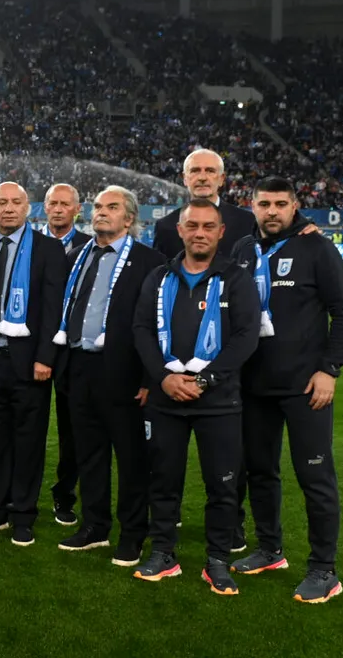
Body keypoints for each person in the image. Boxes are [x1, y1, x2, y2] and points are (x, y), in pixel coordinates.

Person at [230, 177, 343, 604]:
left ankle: (324, 569)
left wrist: (330, 370)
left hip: (306, 387)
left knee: (315, 477)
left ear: (295, 205)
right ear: (252, 206)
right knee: (261, 472)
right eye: (264, 203)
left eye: (281, 204)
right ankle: (269, 549)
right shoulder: (244, 251)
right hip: (253, 386)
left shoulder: (316, 247)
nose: (272, 211)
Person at [131, 199, 260, 596]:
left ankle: (217, 560)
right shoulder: (157, 276)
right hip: (166, 400)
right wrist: (163, 378)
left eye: (208, 226)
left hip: (219, 403)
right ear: (181, 231)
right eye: (192, 226)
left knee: (222, 486)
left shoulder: (236, 279)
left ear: (221, 232)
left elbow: (245, 337)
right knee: (164, 480)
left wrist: (203, 382)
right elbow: (141, 330)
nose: (199, 233)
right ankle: (164, 552)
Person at [51, 187, 165, 567]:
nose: (101, 213)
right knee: (90, 455)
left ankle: (133, 534)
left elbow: (157, 324)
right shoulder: (78, 255)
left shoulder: (150, 261)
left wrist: (150, 379)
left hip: (126, 375)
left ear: (129, 219)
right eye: (98, 207)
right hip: (80, 367)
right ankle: (94, 526)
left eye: (112, 208)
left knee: (132, 459)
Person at [0, 182, 65, 547]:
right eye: (1, 202)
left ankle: (23, 513)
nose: (8, 208)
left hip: (28, 362)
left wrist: (45, 357)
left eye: (15, 202)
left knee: (28, 439)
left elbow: (54, 309)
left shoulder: (48, 249)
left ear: (28, 208)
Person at [39, 182, 91, 525]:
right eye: (53, 203)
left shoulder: (91, 246)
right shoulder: (29, 243)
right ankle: (6, 492)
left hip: (74, 354)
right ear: (44, 208)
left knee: (74, 430)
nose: (58, 209)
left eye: (65, 204)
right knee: (23, 424)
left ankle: (65, 496)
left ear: (77, 209)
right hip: (34, 351)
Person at [151, 149, 258, 258]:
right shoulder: (165, 227)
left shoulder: (248, 222)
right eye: (195, 171)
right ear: (185, 179)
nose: (202, 178)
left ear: (221, 179)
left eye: (210, 171)